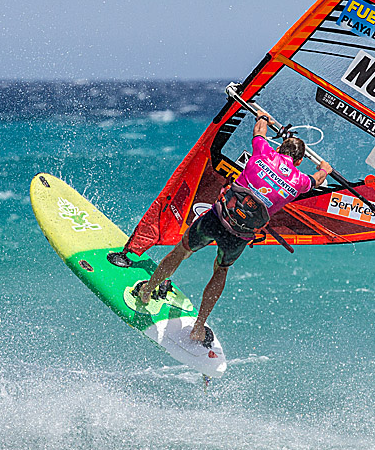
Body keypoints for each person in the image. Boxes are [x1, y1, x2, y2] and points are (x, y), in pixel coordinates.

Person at [136, 109, 333, 343]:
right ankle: (198, 327)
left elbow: (259, 131)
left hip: (217, 219)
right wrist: (324, 168)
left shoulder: (263, 153)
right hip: (239, 237)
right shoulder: (300, 181)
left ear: (279, 148)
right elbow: (317, 179)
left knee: (181, 251)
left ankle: (148, 291)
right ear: (299, 161)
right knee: (220, 270)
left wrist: (262, 117)